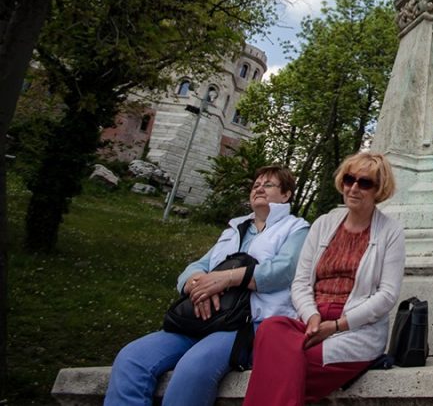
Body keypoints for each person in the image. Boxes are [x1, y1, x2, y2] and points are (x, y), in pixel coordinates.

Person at [105, 166, 309, 406]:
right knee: (131, 358)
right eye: (256, 185)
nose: (259, 189)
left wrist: (226, 278)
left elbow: (283, 270)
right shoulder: (234, 229)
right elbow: (197, 266)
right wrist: (198, 287)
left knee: (193, 367)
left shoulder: (297, 229)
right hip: (202, 318)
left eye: (268, 185)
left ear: (285, 195)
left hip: (249, 323)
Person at [242, 152, 405, 406]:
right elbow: (300, 282)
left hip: (355, 328)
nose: (353, 188)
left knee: (287, 365)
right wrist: (312, 317)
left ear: (379, 190)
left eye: (364, 183)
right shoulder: (324, 224)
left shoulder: (390, 231)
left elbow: (387, 295)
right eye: (349, 179)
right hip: (312, 322)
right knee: (270, 329)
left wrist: (337, 326)